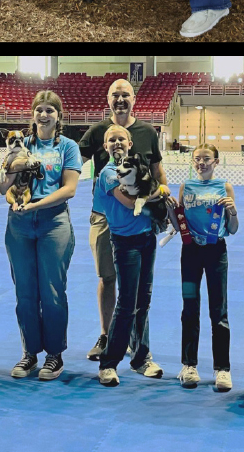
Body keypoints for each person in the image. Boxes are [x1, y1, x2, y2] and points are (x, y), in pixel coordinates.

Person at [77, 78, 165, 362]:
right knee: (107, 277)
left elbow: (158, 171)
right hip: (104, 217)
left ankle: (136, 342)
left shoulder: (147, 132)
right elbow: (72, 163)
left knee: (138, 284)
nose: (120, 99)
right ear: (108, 99)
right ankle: (107, 336)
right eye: (115, 95)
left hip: (141, 217)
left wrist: (164, 207)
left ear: (134, 99)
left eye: (125, 94)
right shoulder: (96, 131)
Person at [0, 89, 81, 380]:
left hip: (53, 222)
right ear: (32, 114)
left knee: (52, 292)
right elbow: (1, 187)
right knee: (25, 292)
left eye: (50, 110)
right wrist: (12, 177)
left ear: (59, 116)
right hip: (19, 223)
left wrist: (35, 204)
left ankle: (54, 355)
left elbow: (69, 189)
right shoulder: (19, 142)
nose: (43, 115)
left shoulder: (68, 147)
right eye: (39, 110)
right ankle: (30, 353)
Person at [164, 142, 238, 391]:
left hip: (217, 251)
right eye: (197, 159)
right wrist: (171, 209)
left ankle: (222, 369)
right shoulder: (186, 186)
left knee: (220, 311)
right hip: (191, 252)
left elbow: (234, 228)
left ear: (216, 162)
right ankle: (189, 364)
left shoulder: (225, 186)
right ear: (192, 162)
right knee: (190, 307)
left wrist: (234, 212)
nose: (201, 163)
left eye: (207, 158)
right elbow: (178, 223)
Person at [96, 124, 165, 385]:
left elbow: (151, 188)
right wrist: (157, 191)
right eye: (111, 140)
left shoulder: (137, 166)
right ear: (105, 147)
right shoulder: (108, 173)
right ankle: (108, 363)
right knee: (126, 303)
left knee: (143, 301)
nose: (116, 143)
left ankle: (141, 358)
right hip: (125, 243)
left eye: (121, 139)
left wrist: (155, 192)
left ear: (129, 143)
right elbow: (129, 200)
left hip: (147, 238)